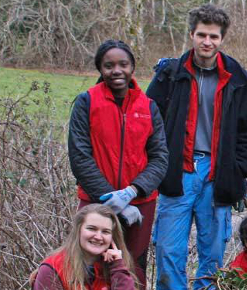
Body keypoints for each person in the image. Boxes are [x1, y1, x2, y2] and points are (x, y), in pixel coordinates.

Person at [146, 4, 247, 289]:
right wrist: (157, 165)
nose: (207, 42)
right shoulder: (171, 74)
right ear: (191, 35)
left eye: (213, 36)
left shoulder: (236, 77)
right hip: (178, 172)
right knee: (168, 250)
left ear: (222, 38)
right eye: (202, 35)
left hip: (218, 173)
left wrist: (238, 170)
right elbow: (149, 121)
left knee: (212, 254)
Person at [68, 39, 168, 289]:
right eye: (108, 65)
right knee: (90, 265)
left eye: (123, 64)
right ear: (100, 69)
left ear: (132, 67)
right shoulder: (86, 102)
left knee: (132, 266)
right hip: (94, 202)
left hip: (140, 203)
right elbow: (80, 156)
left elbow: (159, 157)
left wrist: (131, 192)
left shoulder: (148, 106)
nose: (116, 71)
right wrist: (111, 199)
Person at [32, 204, 137, 290]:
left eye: (105, 231)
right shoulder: (53, 268)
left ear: (112, 237)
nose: (98, 237)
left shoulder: (116, 267)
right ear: (78, 230)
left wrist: (118, 268)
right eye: (92, 229)